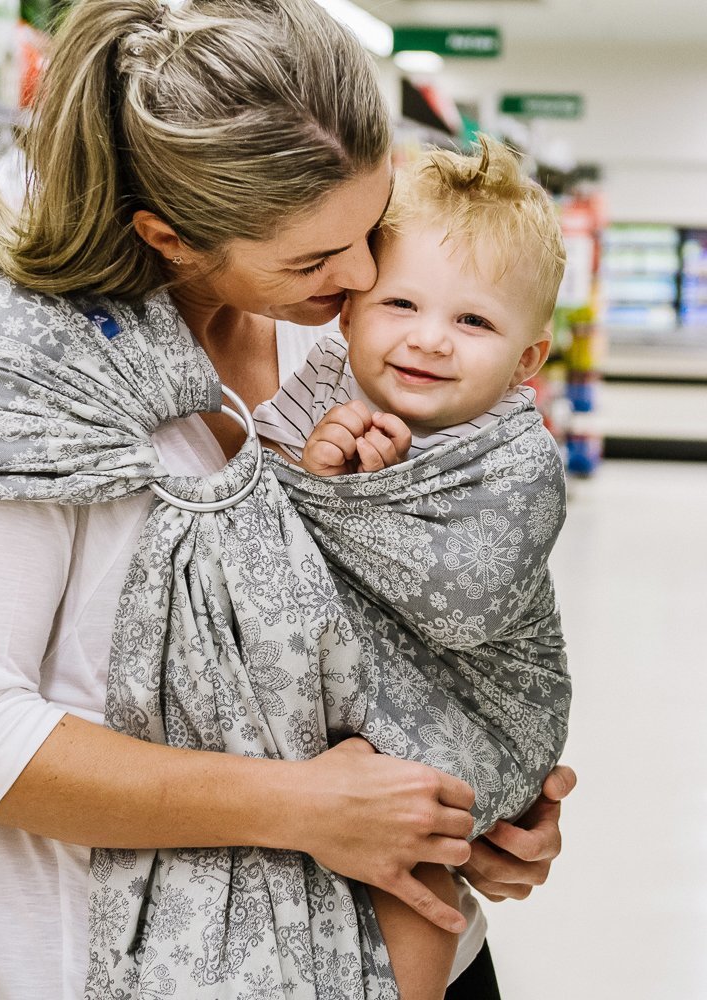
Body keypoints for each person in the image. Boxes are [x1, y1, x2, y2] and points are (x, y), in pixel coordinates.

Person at [0, 2, 576, 998]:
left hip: (398, 943)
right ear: (167, 234)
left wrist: (470, 812)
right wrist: (306, 808)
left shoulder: (335, 335)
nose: (366, 276)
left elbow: (418, 628)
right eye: (315, 258)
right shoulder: (15, 372)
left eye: (369, 230)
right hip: (101, 959)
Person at [254, 136, 571, 1000]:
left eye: (473, 322)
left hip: (474, 706)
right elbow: (264, 503)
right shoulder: (324, 386)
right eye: (401, 304)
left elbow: (465, 600)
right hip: (360, 699)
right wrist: (321, 471)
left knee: (414, 856)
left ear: (527, 361)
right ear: (349, 313)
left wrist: (342, 501)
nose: (430, 341)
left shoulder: (516, 457)